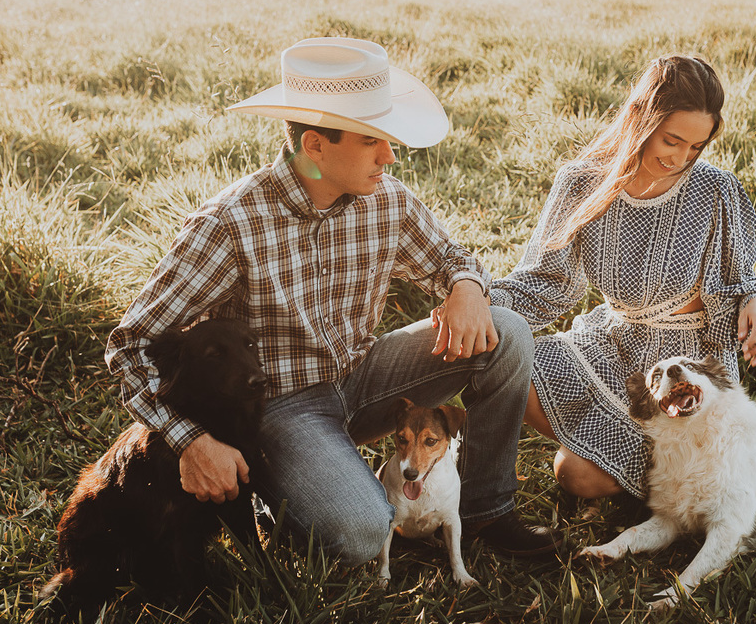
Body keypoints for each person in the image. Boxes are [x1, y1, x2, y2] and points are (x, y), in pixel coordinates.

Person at [106, 37, 563, 566]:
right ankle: (283, 497)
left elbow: (451, 257)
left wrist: (467, 286)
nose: (389, 155)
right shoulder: (229, 224)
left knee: (507, 332)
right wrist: (190, 441)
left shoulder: (387, 199)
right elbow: (130, 344)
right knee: (363, 533)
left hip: (365, 376)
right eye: (371, 140)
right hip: (280, 405)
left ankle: (485, 510)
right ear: (316, 146)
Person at [489, 54, 756, 501]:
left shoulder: (715, 190)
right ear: (640, 119)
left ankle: (654, 463)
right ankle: (619, 448)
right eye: (672, 140)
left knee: (575, 475)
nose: (682, 158)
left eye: (696, 146)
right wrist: (474, 300)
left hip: (684, 363)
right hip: (612, 339)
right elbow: (544, 280)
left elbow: (740, 279)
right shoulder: (581, 183)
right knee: (505, 371)